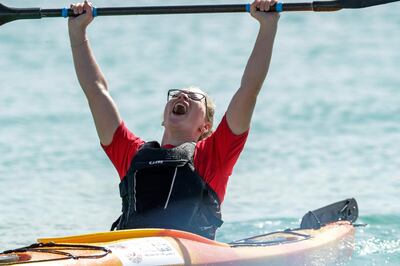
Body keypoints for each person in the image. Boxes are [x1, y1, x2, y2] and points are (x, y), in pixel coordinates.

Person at [68, 0, 279, 240]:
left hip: (189, 253)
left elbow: (248, 90)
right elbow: (96, 92)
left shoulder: (213, 155)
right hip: (132, 250)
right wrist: (78, 33)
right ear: (163, 119)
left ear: (205, 127)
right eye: (177, 94)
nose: (181, 96)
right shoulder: (131, 153)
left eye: (194, 97)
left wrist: (267, 26)